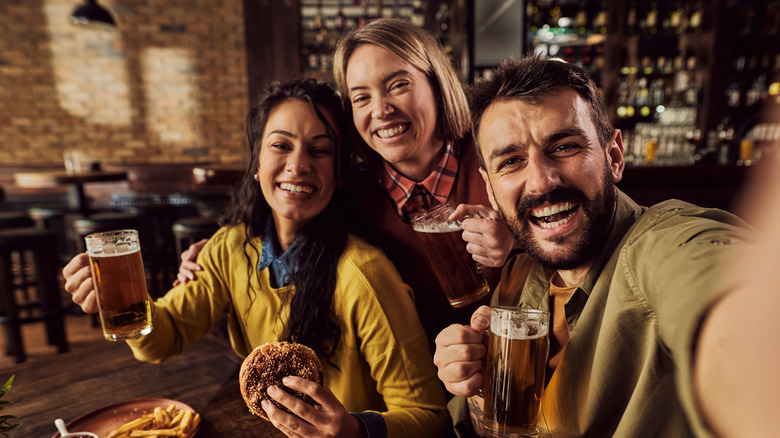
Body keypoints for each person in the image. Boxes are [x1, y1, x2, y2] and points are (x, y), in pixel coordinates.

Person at [63, 78, 451, 438]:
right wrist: (124, 304)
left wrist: (353, 430)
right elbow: (164, 340)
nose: (298, 165)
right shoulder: (228, 248)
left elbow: (428, 415)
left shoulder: (365, 276)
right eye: (281, 145)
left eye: (319, 150)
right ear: (256, 164)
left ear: (340, 174)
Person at [433, 54, 759, 437]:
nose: (540, 181)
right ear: (490, 187)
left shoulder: (658, 247)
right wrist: (471, 378)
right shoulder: (517, 276)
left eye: (565, 146)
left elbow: (717, 282)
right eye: (512, 161)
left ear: (614, 156)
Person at [176, 18, 516, 347]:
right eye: (361, 97)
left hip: (508, 369)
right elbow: (288, 230)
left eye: (398, 85)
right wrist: (214, 254)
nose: (381, 110)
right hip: (405, 381)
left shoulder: (499, 161)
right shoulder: (351, 191)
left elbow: (565, 255)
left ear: (437, 84)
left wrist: (517, 244)